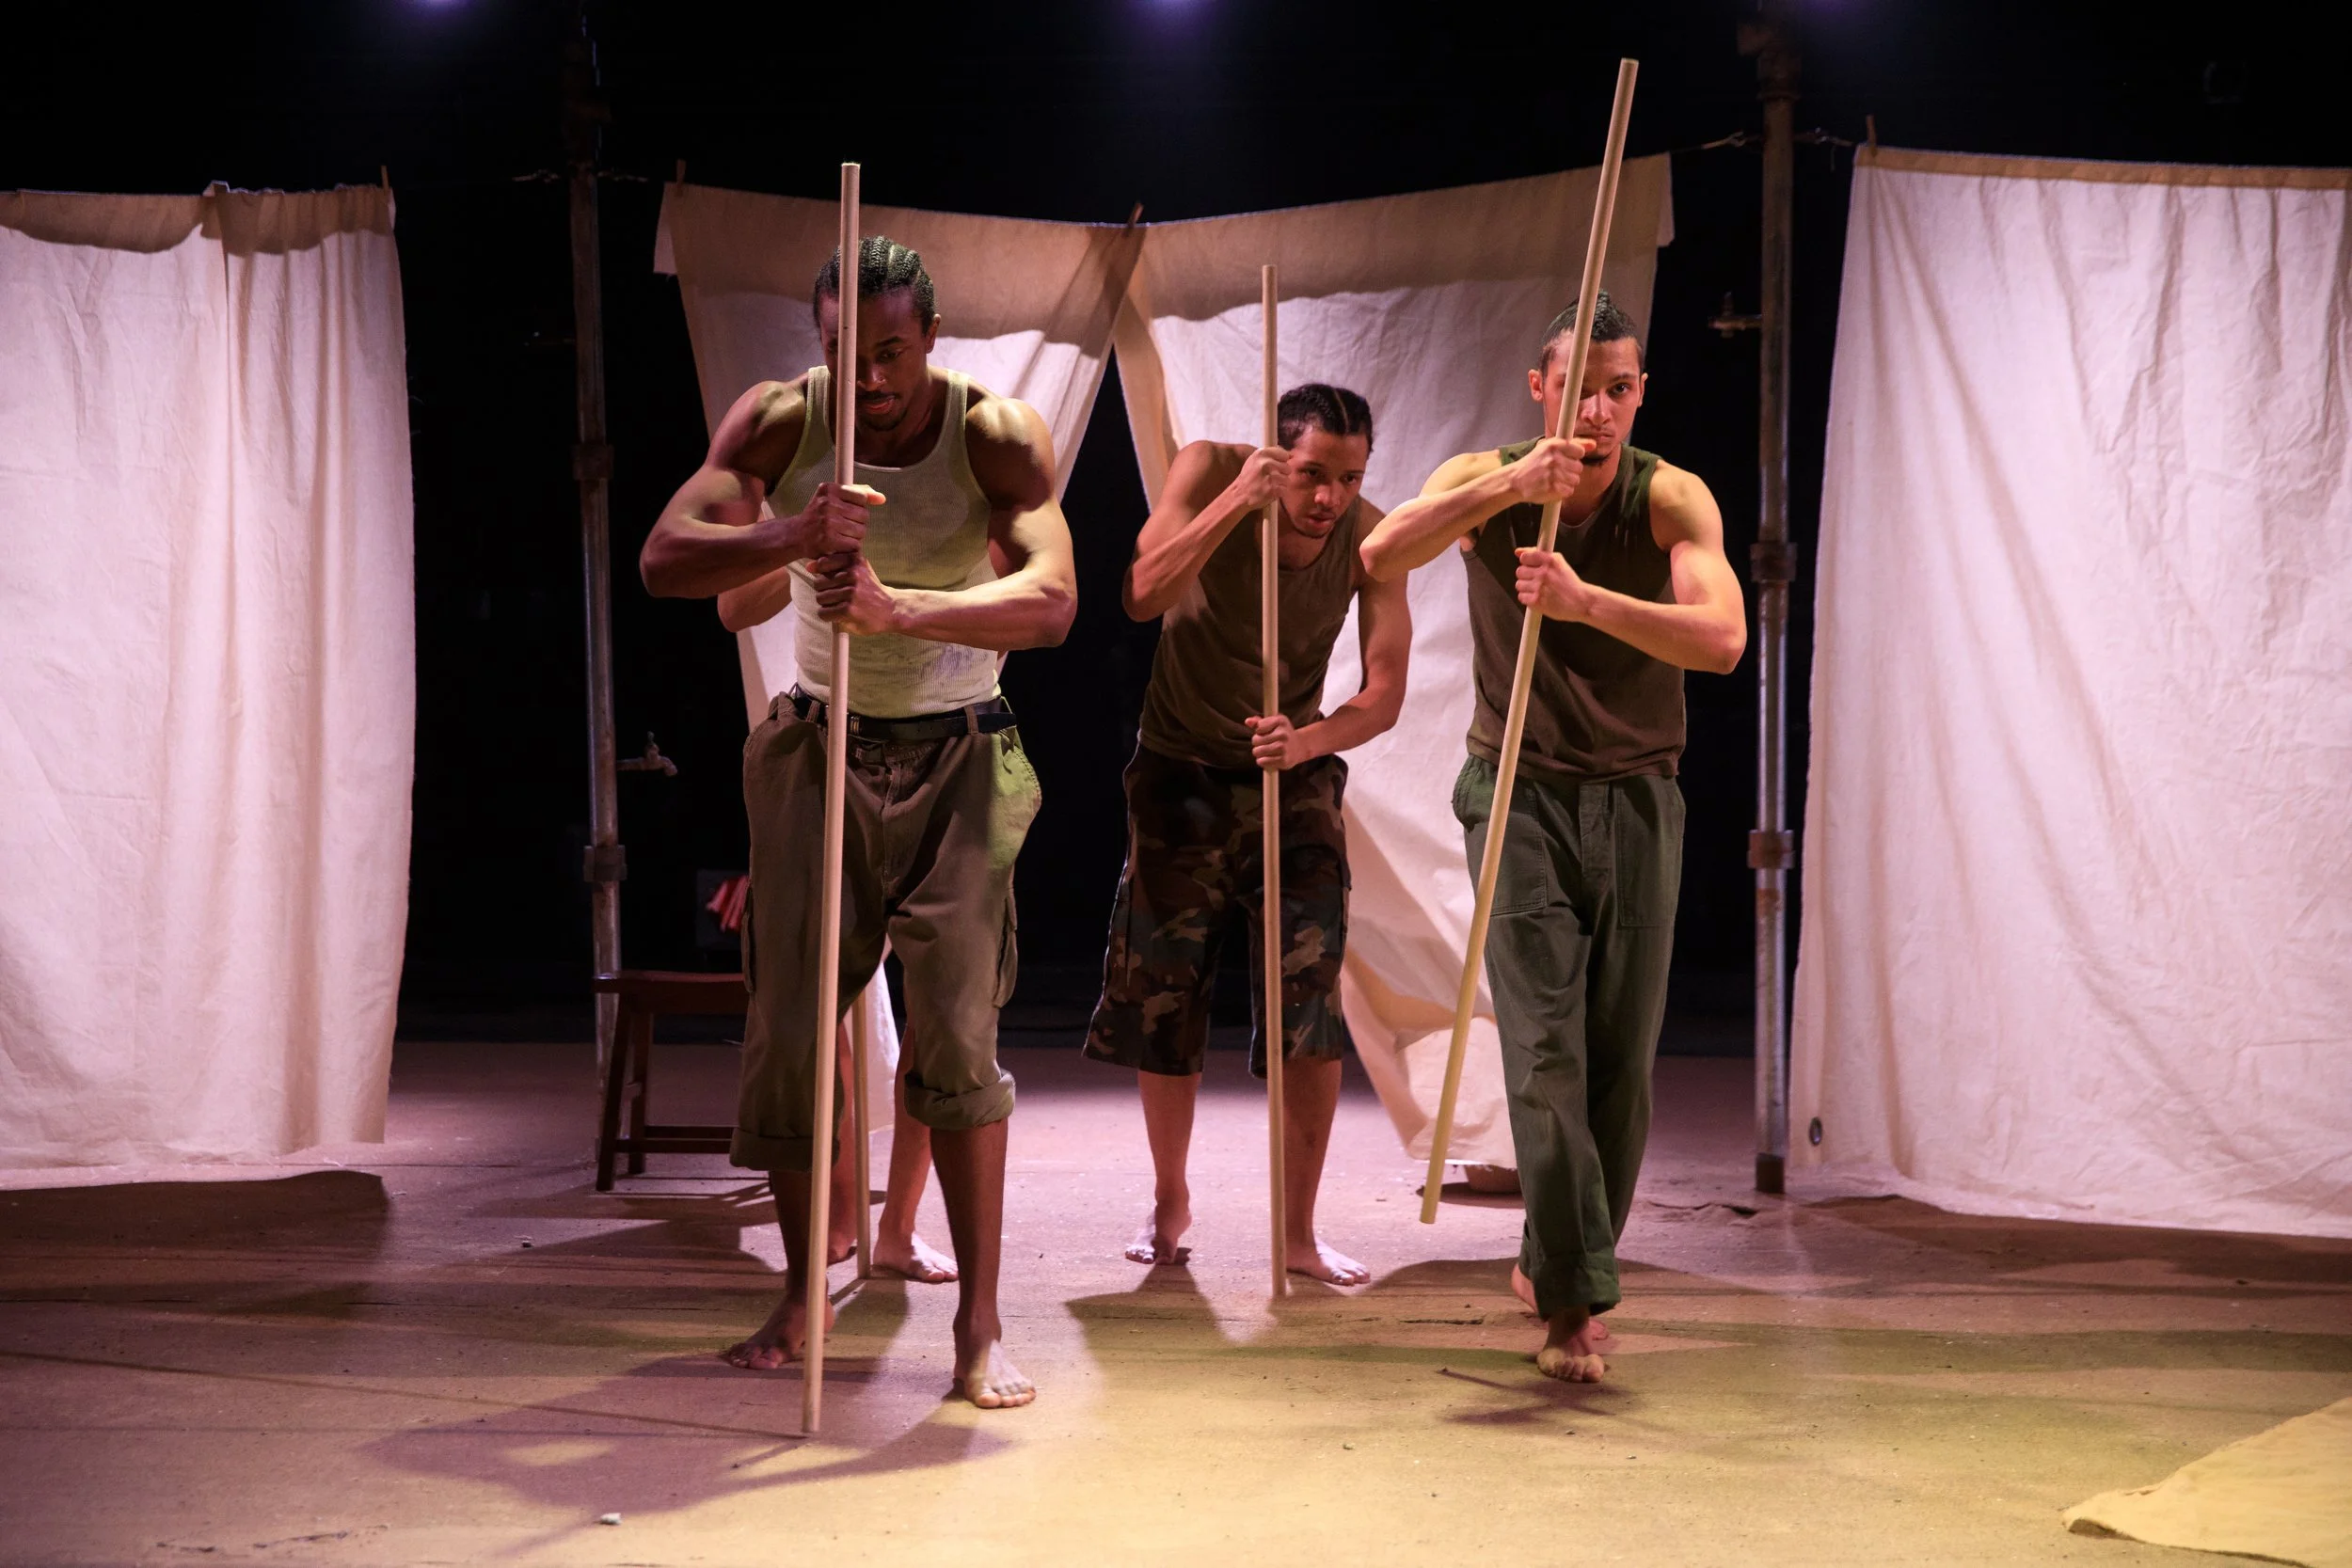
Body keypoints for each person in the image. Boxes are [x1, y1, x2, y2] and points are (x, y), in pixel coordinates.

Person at [639, 236, 1075, 1409]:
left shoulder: (994, 432)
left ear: (931, 340)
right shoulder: (784, 421)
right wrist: (792, 533)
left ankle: (978, 1324)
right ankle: (797, 1286)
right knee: (788, 1027)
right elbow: (664, 557)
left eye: (890, 352)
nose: (869, 380)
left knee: (956, 1040)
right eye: (847, 353)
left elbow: (1053, 598)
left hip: (960, 753)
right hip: (817, 747)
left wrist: (898, 607)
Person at [1359, 293, 1746, 1382]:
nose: (1601, 408)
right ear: (1541, 386)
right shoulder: (1486, 475)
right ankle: (1574, 1301)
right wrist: (1509, 488)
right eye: (1582, 385)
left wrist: (1587, 604)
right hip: (1516, 791)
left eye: (1621, 387)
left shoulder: (1665, 495)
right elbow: (1382, 552)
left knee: (1622, 1058)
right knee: (1543, 1045)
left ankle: (1558, 1254)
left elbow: (1720, 639)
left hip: (1635, 796)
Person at [1085, 385, 1411, 1285]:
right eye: (1311, 475)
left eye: (1347, 478)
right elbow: (1142, 592)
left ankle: (1297, 1230)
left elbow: (1384, 690)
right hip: (1181, 767)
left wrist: (1307, 739)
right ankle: (1169, 1196)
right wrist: (1237, 502)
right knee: (1165, 996)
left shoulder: (1371, 534)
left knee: (1309, 998)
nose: (1327, 500)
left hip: (1288, 772)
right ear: (1277, 457)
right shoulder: (1210, 468)